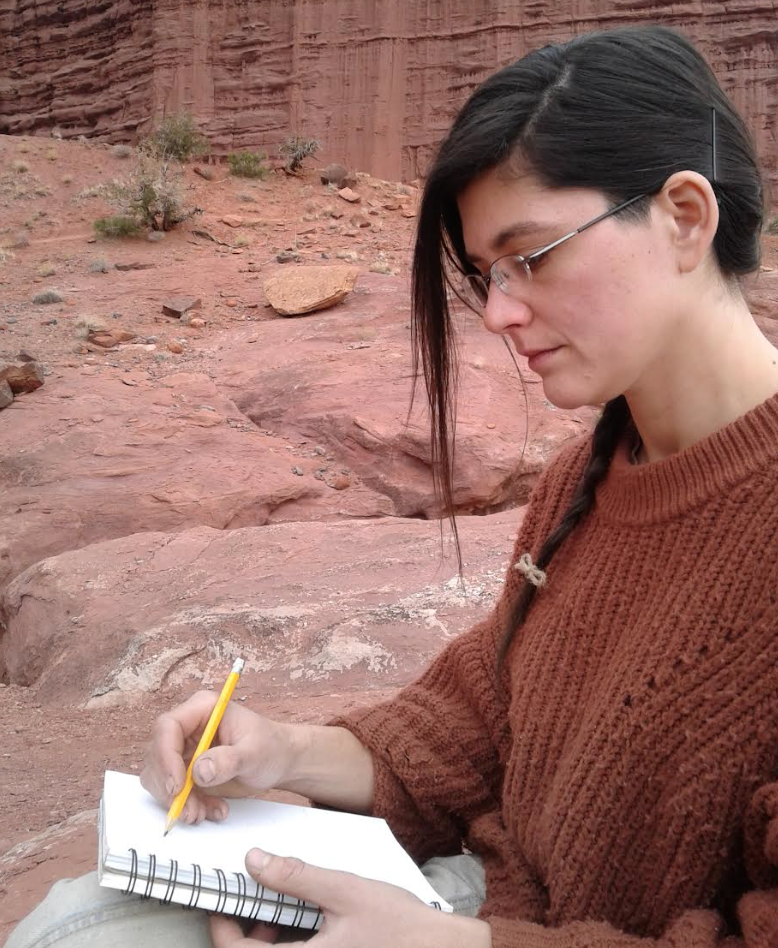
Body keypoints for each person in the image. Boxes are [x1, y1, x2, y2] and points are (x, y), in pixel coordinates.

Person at [8, 23, 778, 948]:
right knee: (78, 922)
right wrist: (283, 750)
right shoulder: (591, 472)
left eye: (531, 255)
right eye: (487, 274)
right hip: (487, 901)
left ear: (685, 216)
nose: (498, 313)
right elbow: (491, 722)